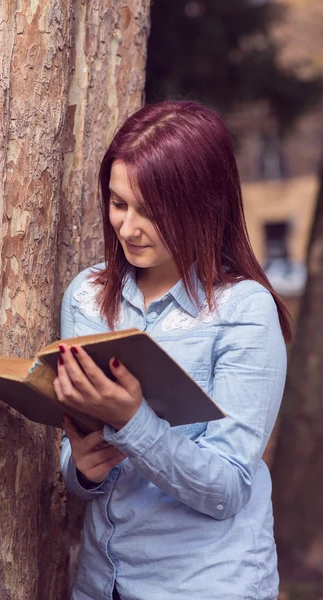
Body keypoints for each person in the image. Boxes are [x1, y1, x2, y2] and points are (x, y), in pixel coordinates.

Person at [54, 100, 291, 600]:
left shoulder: (244, 311)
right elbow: (78, 462)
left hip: (207, 584)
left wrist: (135, 422)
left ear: (203, 205)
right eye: (119, 204)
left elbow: (228, 489)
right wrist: (81, 468)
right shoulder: (86, 297)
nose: (128, 228)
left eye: (151, 211)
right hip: (104, 582)